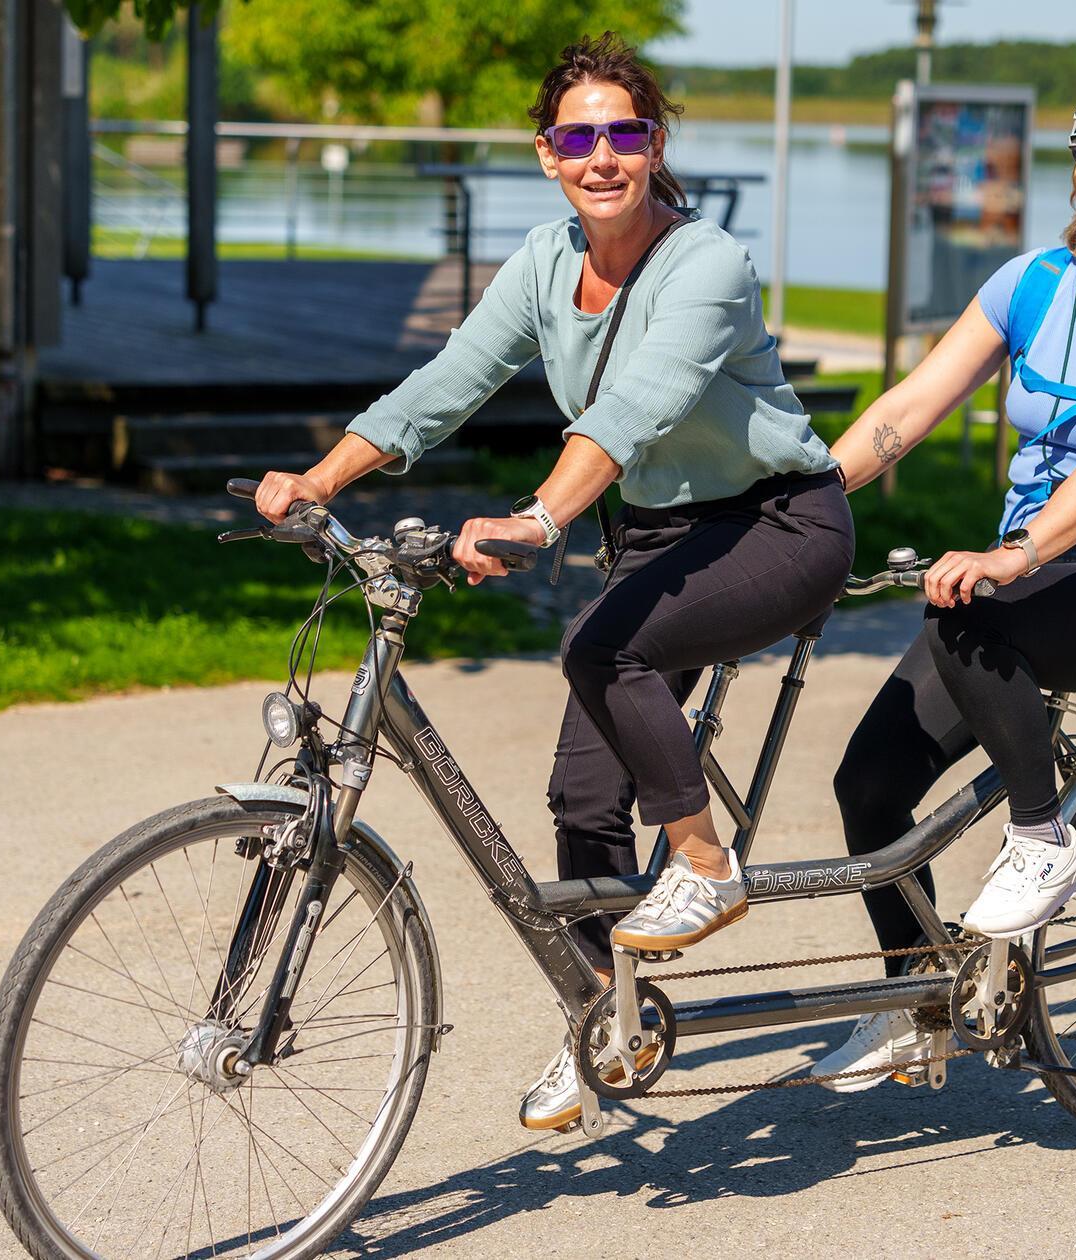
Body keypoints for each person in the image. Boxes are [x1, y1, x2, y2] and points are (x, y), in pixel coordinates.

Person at [248, 34, 853, 1129]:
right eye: (577, 139)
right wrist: (320, 479)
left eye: (624, 133)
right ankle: (603, 1018)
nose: (601, 157)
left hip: (777, 523)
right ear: (546, 153)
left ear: (654, 144)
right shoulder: (543, 262)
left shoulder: (707, 263)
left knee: (601, 650)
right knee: (581, 797)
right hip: (656, 535)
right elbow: (447, 382)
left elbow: (636, 407)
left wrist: (538, 517)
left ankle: (704, 863)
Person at [812, 77, 1076, 1089]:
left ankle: (1041, 840)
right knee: (868, 786)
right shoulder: (1030, 285)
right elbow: (913, 404)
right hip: (1031, 584)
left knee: (973, 614)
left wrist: (1015, 554)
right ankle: (916, 1002)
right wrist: (808, 495)